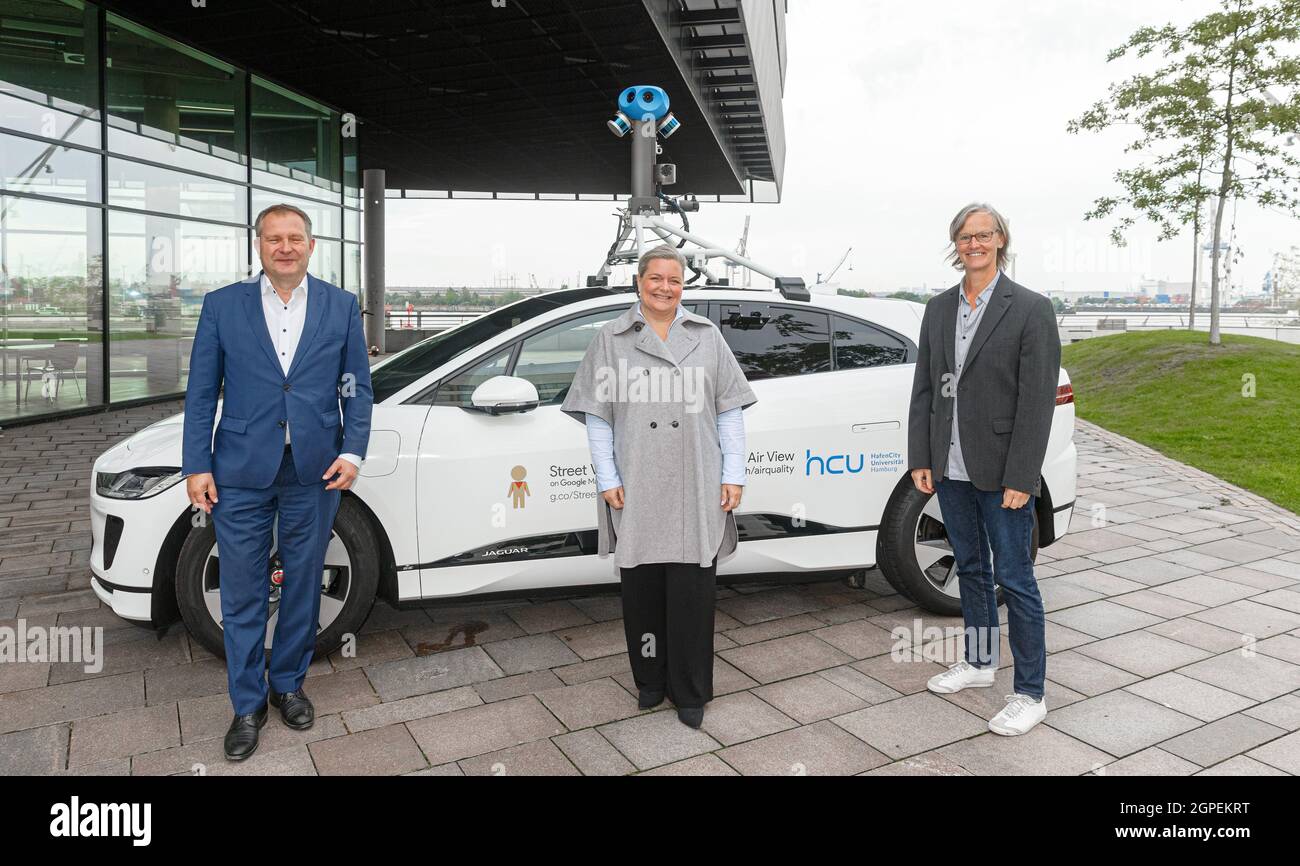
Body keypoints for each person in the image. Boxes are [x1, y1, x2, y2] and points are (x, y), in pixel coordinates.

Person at [182, 203, 373, 760]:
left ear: (312, 246)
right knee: (241, 591)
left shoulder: (340, 305)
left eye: (295, 238)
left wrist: (353, 450)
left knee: (304, 582)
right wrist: (197, 465)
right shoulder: (222, 307)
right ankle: (247, 705)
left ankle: (288, 684)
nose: (284, 247)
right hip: (239, 471)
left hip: (315, 469)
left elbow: (356, 387)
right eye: (274, 239)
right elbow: (200, 393)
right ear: (258, 245)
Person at [561, 245, 756, 728]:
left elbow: (729, 409)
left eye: (674, 279)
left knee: (692, 590)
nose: (665, 287)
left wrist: (734, 473)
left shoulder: (706, 336)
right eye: (656, 278)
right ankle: (650, 681)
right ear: (639, 281)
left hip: (698, 477)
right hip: (637, 479)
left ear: (683, 285)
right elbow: (597, 416)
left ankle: (691, 691)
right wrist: (607, 477)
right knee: (643, 588)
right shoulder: (612, 338)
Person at [907, 202, 1060, 736]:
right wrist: (921, 459)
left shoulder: (1031, 309)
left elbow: (1037, 402)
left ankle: (1030, 693)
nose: (974, 243)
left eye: (984, 234)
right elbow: (926, 388)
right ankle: (977, 663)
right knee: (969, 568)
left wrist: (1023, 477)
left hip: (1003, 474)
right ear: (956, 245)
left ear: (1000, 239)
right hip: (949, 469)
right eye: (965, 236)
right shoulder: (939, 308)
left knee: (1015, 579)